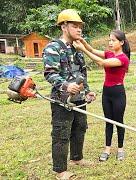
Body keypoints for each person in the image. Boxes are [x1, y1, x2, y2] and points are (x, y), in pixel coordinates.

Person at [42, 9, 96, 179]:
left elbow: (82, 73)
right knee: (61, 133)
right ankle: (60, 170)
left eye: (80, 27)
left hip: (79, 99)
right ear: (64, 27)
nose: (79, 30)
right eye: (75, 26)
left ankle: (77, 158)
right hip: (62, 100)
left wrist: (87, 91)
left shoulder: (77, 48)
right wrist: (66, 86)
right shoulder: (53, 47)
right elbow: (50, 73)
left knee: (80, 128)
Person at [73, 30, 130, 161]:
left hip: (118, 93)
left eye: (113, 40)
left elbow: (102, 63)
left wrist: (82, 49)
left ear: (121, 42)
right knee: (108, 121)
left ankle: (120, 149)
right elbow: (92, 50)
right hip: (107, 92)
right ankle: (107, 148)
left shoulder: (123, 59)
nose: (110, 43)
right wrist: (83, 42)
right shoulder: (109, 53)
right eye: (109, 40)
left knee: (118, 122)